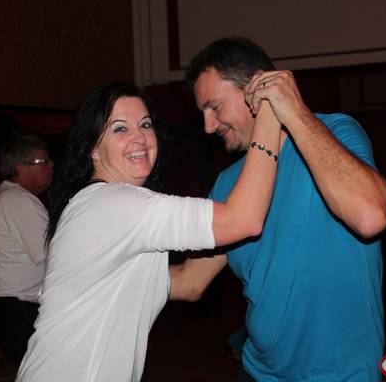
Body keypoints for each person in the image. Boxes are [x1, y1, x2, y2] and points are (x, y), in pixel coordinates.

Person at [16, 82, 282, 382]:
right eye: (120, 128)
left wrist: (240, 216)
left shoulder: (104, 209)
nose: (139, 137)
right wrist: (270, 117)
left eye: (145, 124)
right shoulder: (113, 204)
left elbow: (189, 282)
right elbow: (243, 220)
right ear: (93, 149)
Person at [169, 37, 386, 381]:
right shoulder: (228, 184)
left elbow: (370, 217)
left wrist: (292, 111)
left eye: (214, 107)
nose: (208, 126)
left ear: (255, 88)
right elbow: (190, 281)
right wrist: (106, 276)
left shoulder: (335, 133)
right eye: (203, 113)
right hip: (259, 373)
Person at [0, 134, 53, 366]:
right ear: (21, 168)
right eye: (43, 161)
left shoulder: (3, 197)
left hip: (7, 309)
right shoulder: (19, 202)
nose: (51, 165)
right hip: (19, 310)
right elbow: (53, 255)